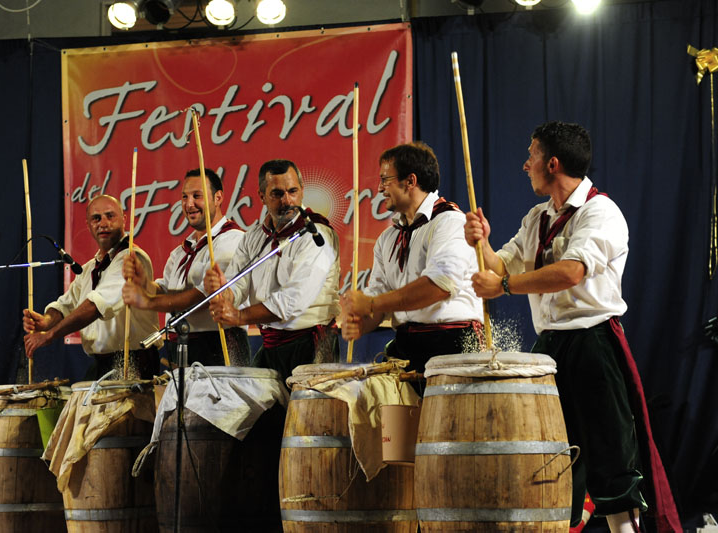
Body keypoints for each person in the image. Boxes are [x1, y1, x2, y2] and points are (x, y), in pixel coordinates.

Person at [463, 121, 680, 533]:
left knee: (610, 454)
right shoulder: (537, 217)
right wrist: (483, 243)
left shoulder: (601, 212)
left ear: (553, 163)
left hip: (594, 344)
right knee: (554, 457)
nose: (525, 165)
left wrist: (505, 286)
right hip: (550, 348)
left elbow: (571, 272)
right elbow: (501, 265)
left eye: (532, 156)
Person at [340, 141, 484, 377]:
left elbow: (439, 286)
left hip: (452, 343)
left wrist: (373, 304)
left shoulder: (449, 222)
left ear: (410, 181)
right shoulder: (388, 238)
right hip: (407, 343)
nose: (379, 188)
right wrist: (360, 323)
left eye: (385, 179)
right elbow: (377, 296)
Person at [204, 159, 341, 380]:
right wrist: (224, 292)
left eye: (293, 191)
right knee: (254, 409)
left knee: (305, 414)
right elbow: (237, 285)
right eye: (277, 194)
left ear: (302, 191)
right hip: (271, 345)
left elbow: (292, 300)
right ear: (261, 196)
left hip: (312, 346)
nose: (287, 200)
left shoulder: (317, 235)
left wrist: (239, 316)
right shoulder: (254, 238)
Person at [23, 194, 161, 380]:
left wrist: (49, 335)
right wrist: (46, 321)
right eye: (96, 218)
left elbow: (95, 306)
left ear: (124, 220)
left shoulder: (132, 259)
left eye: (110, 216)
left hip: (133, 361)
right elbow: (65, 305)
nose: (103, 223)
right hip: (102, 363)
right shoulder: (89, 268)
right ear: (88, 225)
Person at [122, 168, 250, 367]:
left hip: (218, 344)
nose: (189, 204)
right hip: (179, 344)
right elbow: (166, 291)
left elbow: (202, 297)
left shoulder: (234, 241)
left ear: (218, 197)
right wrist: (144, 283)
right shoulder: (181, 252)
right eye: (184, 197)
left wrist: (147, 301)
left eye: (197, 196)